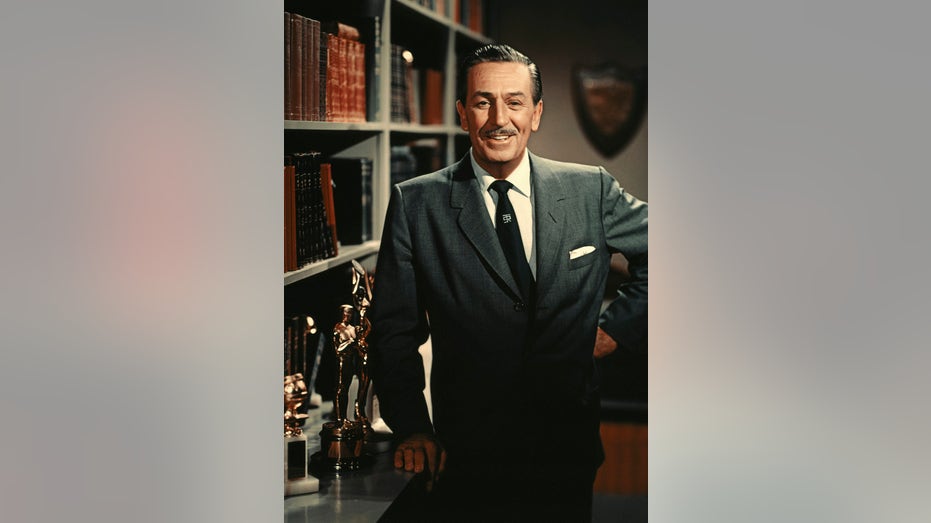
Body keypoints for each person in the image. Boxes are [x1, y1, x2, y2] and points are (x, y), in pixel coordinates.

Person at [371, 43, 647, 520]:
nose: (500, 117)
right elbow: (394, 332)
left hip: (566, 451)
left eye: (515, 102)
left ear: (535, 113)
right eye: (483, 101)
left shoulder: (591, 188)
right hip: (466, 459)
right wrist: (413, 427)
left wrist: (612, 331)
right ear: (462, 113)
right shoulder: (416, 205)